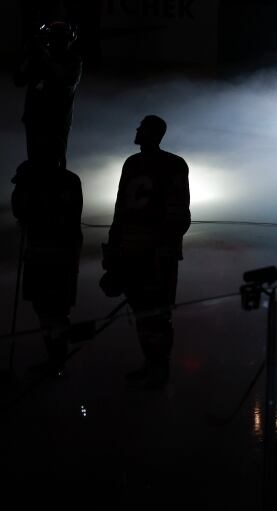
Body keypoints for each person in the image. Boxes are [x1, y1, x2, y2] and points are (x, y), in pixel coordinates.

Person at [100, 115, 190, 390]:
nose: (137, 131)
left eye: (142, 127)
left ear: (152, 133)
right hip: (140, 251)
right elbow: (122, 209)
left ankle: (158, 368)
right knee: (146, 312)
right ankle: (153, 365)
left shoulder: (147, 164)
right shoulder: (160, 163)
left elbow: (175, 212)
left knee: (156, 314)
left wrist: (158, 248)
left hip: (149, 253)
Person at [11, 157, 83, 373]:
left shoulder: (62, 180)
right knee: (48, 309)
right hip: (50, 255)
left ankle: (57, 360)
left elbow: (20, 211)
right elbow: (20, 211)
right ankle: (56, 358)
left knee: (52, 310)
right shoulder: (69, 179)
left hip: (52, 256)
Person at [14, 21, 82, 167]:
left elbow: (66, 81)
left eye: (60, 39)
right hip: (35, 119)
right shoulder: (38, 59)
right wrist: (27, 56)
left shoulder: (73, 61)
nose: (56, 43)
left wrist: (45, 58)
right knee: (34, 162)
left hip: (57, 122)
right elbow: (18, 80)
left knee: (55, 164)